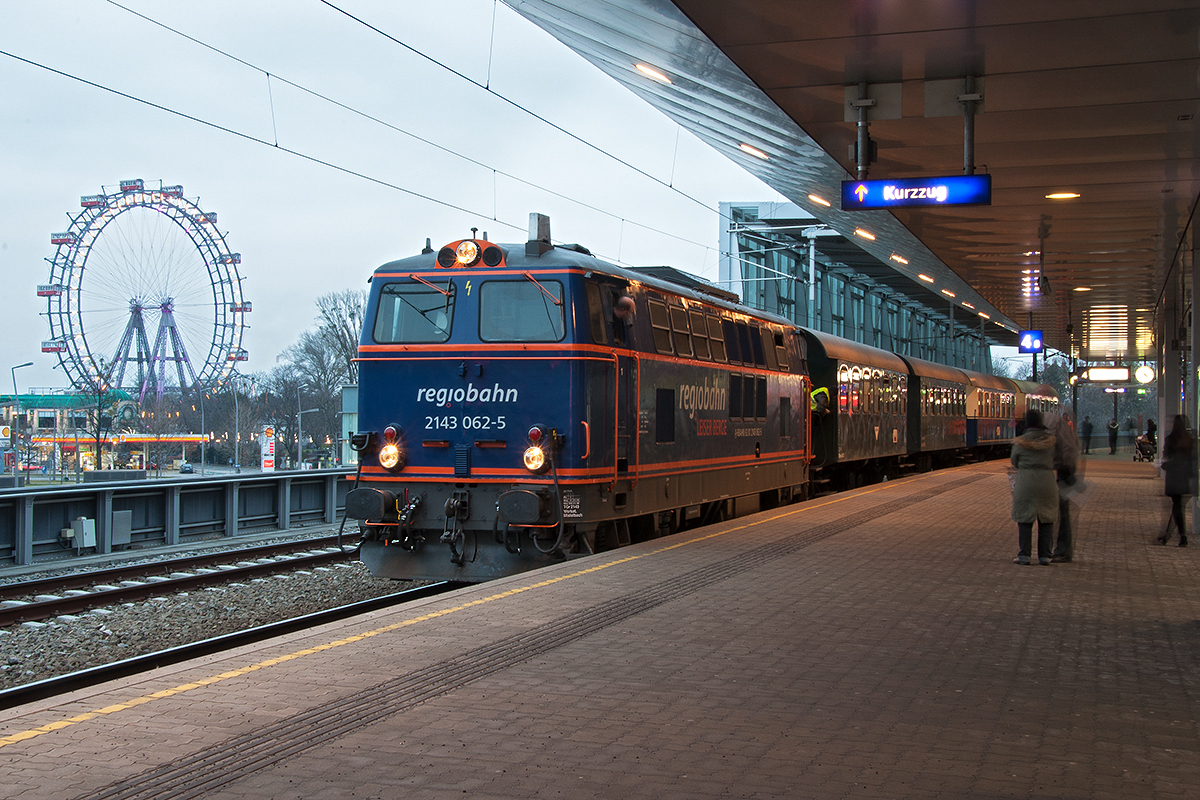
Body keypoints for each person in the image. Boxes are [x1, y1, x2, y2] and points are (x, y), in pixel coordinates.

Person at [1011, 409, 1059, 565]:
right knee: (1046, 519)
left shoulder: (1020, 442)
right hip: (1047, 481)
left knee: (1024, 519)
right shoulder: (1051, 442)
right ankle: (1045, 555)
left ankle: (1024, 555)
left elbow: (1014, 461)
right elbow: (1057, 458)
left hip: (1026, 481)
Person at [1046, 411, 1080, 562]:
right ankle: (1060, 549)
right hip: (1064, 472)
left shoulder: (1056, 426)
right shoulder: (1063, 427)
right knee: (1061, 513)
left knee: (1061, 513)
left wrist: (1065, 469)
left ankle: (1062, 550)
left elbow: (1068, 451)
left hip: (1063, 473)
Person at [1158, 414, 1193, 547]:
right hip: (1184, 476)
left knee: (1177, 506)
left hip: (1173, 475)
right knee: (1177, 506)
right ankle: (1168, 536)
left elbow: (1166, 458)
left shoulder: (1170, 439)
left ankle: (1181, 536)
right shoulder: (1189, 440)